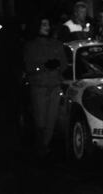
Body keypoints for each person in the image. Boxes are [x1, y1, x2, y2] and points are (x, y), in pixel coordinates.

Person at [23, 16, 67, 157]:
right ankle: (40, 146)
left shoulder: (56, 44)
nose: (46, 27)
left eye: (48, 24)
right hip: (39, 87)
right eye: (43, 24)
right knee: (40, 120)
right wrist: (43, 67)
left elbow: (64, 63)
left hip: (54, 86)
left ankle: (44, 146)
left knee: (51, 120)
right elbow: (29, 66)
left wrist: (57, 66)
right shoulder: (30, 46)